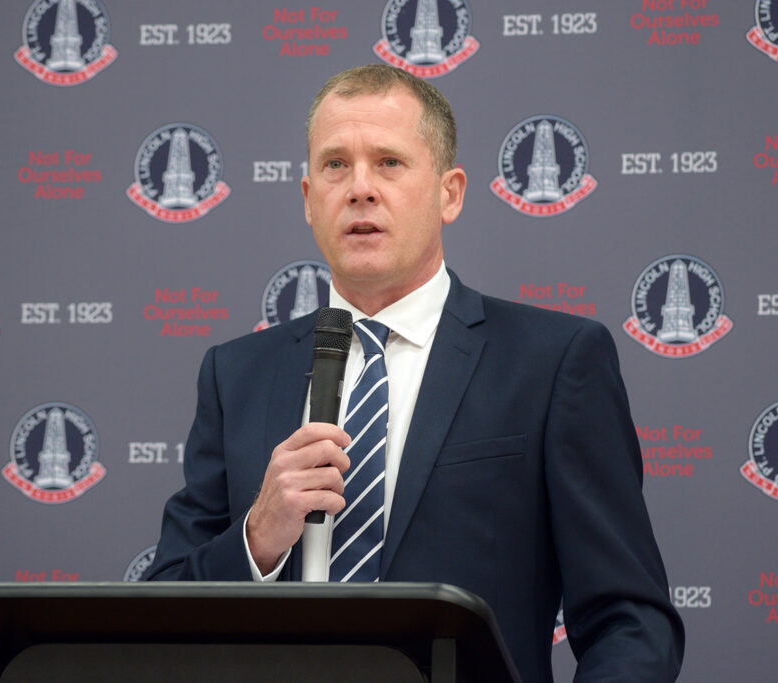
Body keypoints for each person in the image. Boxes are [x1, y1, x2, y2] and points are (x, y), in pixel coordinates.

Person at [148, 64, 684, 681]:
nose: (360, 188)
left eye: (389, 163)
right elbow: (159, 615)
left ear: (449, 193)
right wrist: (257, 537)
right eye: (335, 165)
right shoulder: (236, 374)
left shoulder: (553, 362)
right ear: (308, 200)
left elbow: (631, 622)